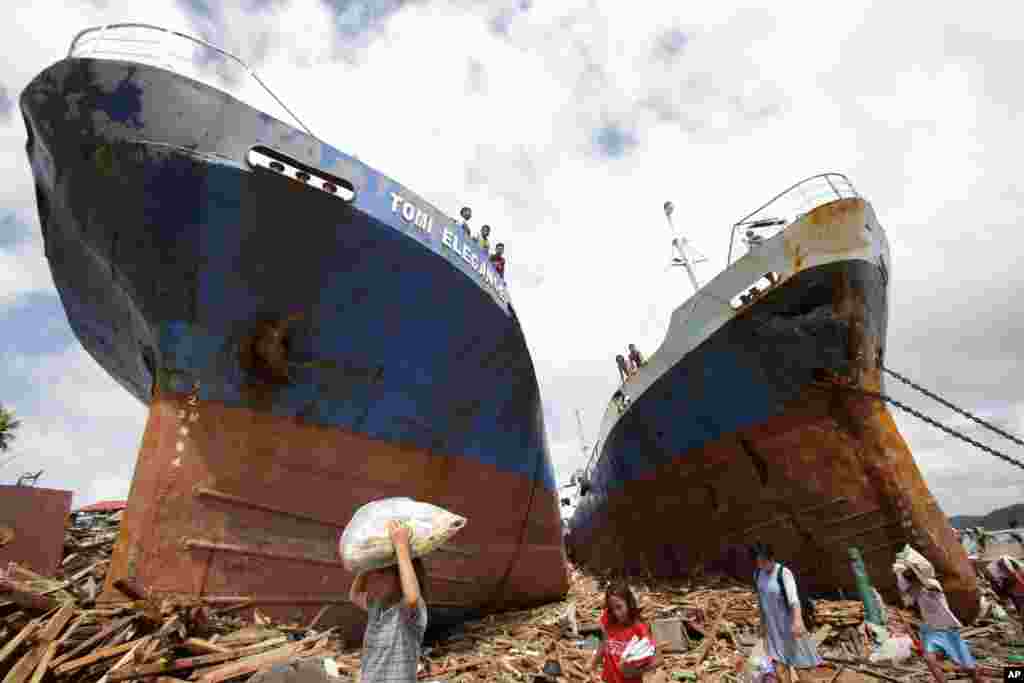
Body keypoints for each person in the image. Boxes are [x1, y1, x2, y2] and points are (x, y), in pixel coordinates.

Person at [348, 521, 429, 683]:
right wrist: (367, 563)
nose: (376, 579)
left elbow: (412, 597)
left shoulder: (406, 614)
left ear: (401, 578)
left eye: (383, 574)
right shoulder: (376, 608)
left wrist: (401, 547)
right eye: (374, 574)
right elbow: (354, 595)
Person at [894, 546, 981, 683]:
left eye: (911, 577)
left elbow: (927, 586)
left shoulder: (933, 585)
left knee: (968, 667)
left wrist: (916, 572)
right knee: (929, 659)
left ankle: (979, 680)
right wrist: (902, 573)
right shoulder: (915, 592)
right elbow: (905, 595)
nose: (909, 581)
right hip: (931, 631)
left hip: (948, 629)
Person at [751, 543, 822, 683]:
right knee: (780, 669)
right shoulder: (758, 574)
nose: (762, 565)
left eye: (764, 561)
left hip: (791, 628)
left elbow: (794, 600)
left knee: (802, 668)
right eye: (758, 562)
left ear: (771, 558)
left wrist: (797, 621)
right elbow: (761, 601)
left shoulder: (783, 573)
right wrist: (762, 624)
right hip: (774, 631)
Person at [589, 581, 658, 682]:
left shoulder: (639, 628)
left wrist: (635, 671)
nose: (616, 613)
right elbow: (604, 643)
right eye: (612, 609)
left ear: (629, 603)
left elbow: (656, 660)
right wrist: (593, 666)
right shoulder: (608, 620)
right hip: (608, 679)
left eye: (619, 607)